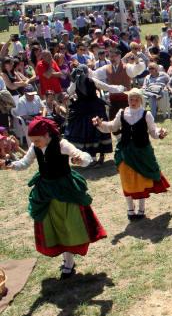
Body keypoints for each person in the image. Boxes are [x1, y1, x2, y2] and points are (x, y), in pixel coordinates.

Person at [3, 117, 106, 279]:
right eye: (33, 141)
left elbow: (84, 157)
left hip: (64, 190)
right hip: (45, 190)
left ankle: (69, 260)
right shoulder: (34, 146)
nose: (35, 143)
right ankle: (67, 260)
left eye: (37, 140)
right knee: (53, 225)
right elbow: (24, 163)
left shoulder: (61, 144)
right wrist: (9, 164)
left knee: (67, 223)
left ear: (46, 134)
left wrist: (79, 160)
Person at [93, 89, 170, 221]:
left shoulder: (146, 114)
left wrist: (160, 133)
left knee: (140, 180)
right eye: (130, 99)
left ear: (140, 100)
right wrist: (101, 124)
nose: (133, 102)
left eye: (135, 99)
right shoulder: (122, 113)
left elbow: (153, 131)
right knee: (126, 180)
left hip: (142, 151)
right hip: (125, 151)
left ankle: (141, 209)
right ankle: (129, 209)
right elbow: (112, 126)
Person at [65, 65, 119, 165]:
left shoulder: (76, 82)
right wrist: (120, 88)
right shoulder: (92, 80)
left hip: (82, 109)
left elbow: (69, 91)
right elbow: (107, 87)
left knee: (86, 132)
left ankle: (92, 157)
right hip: (95, 108)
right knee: (99, 129)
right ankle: (99, 156)